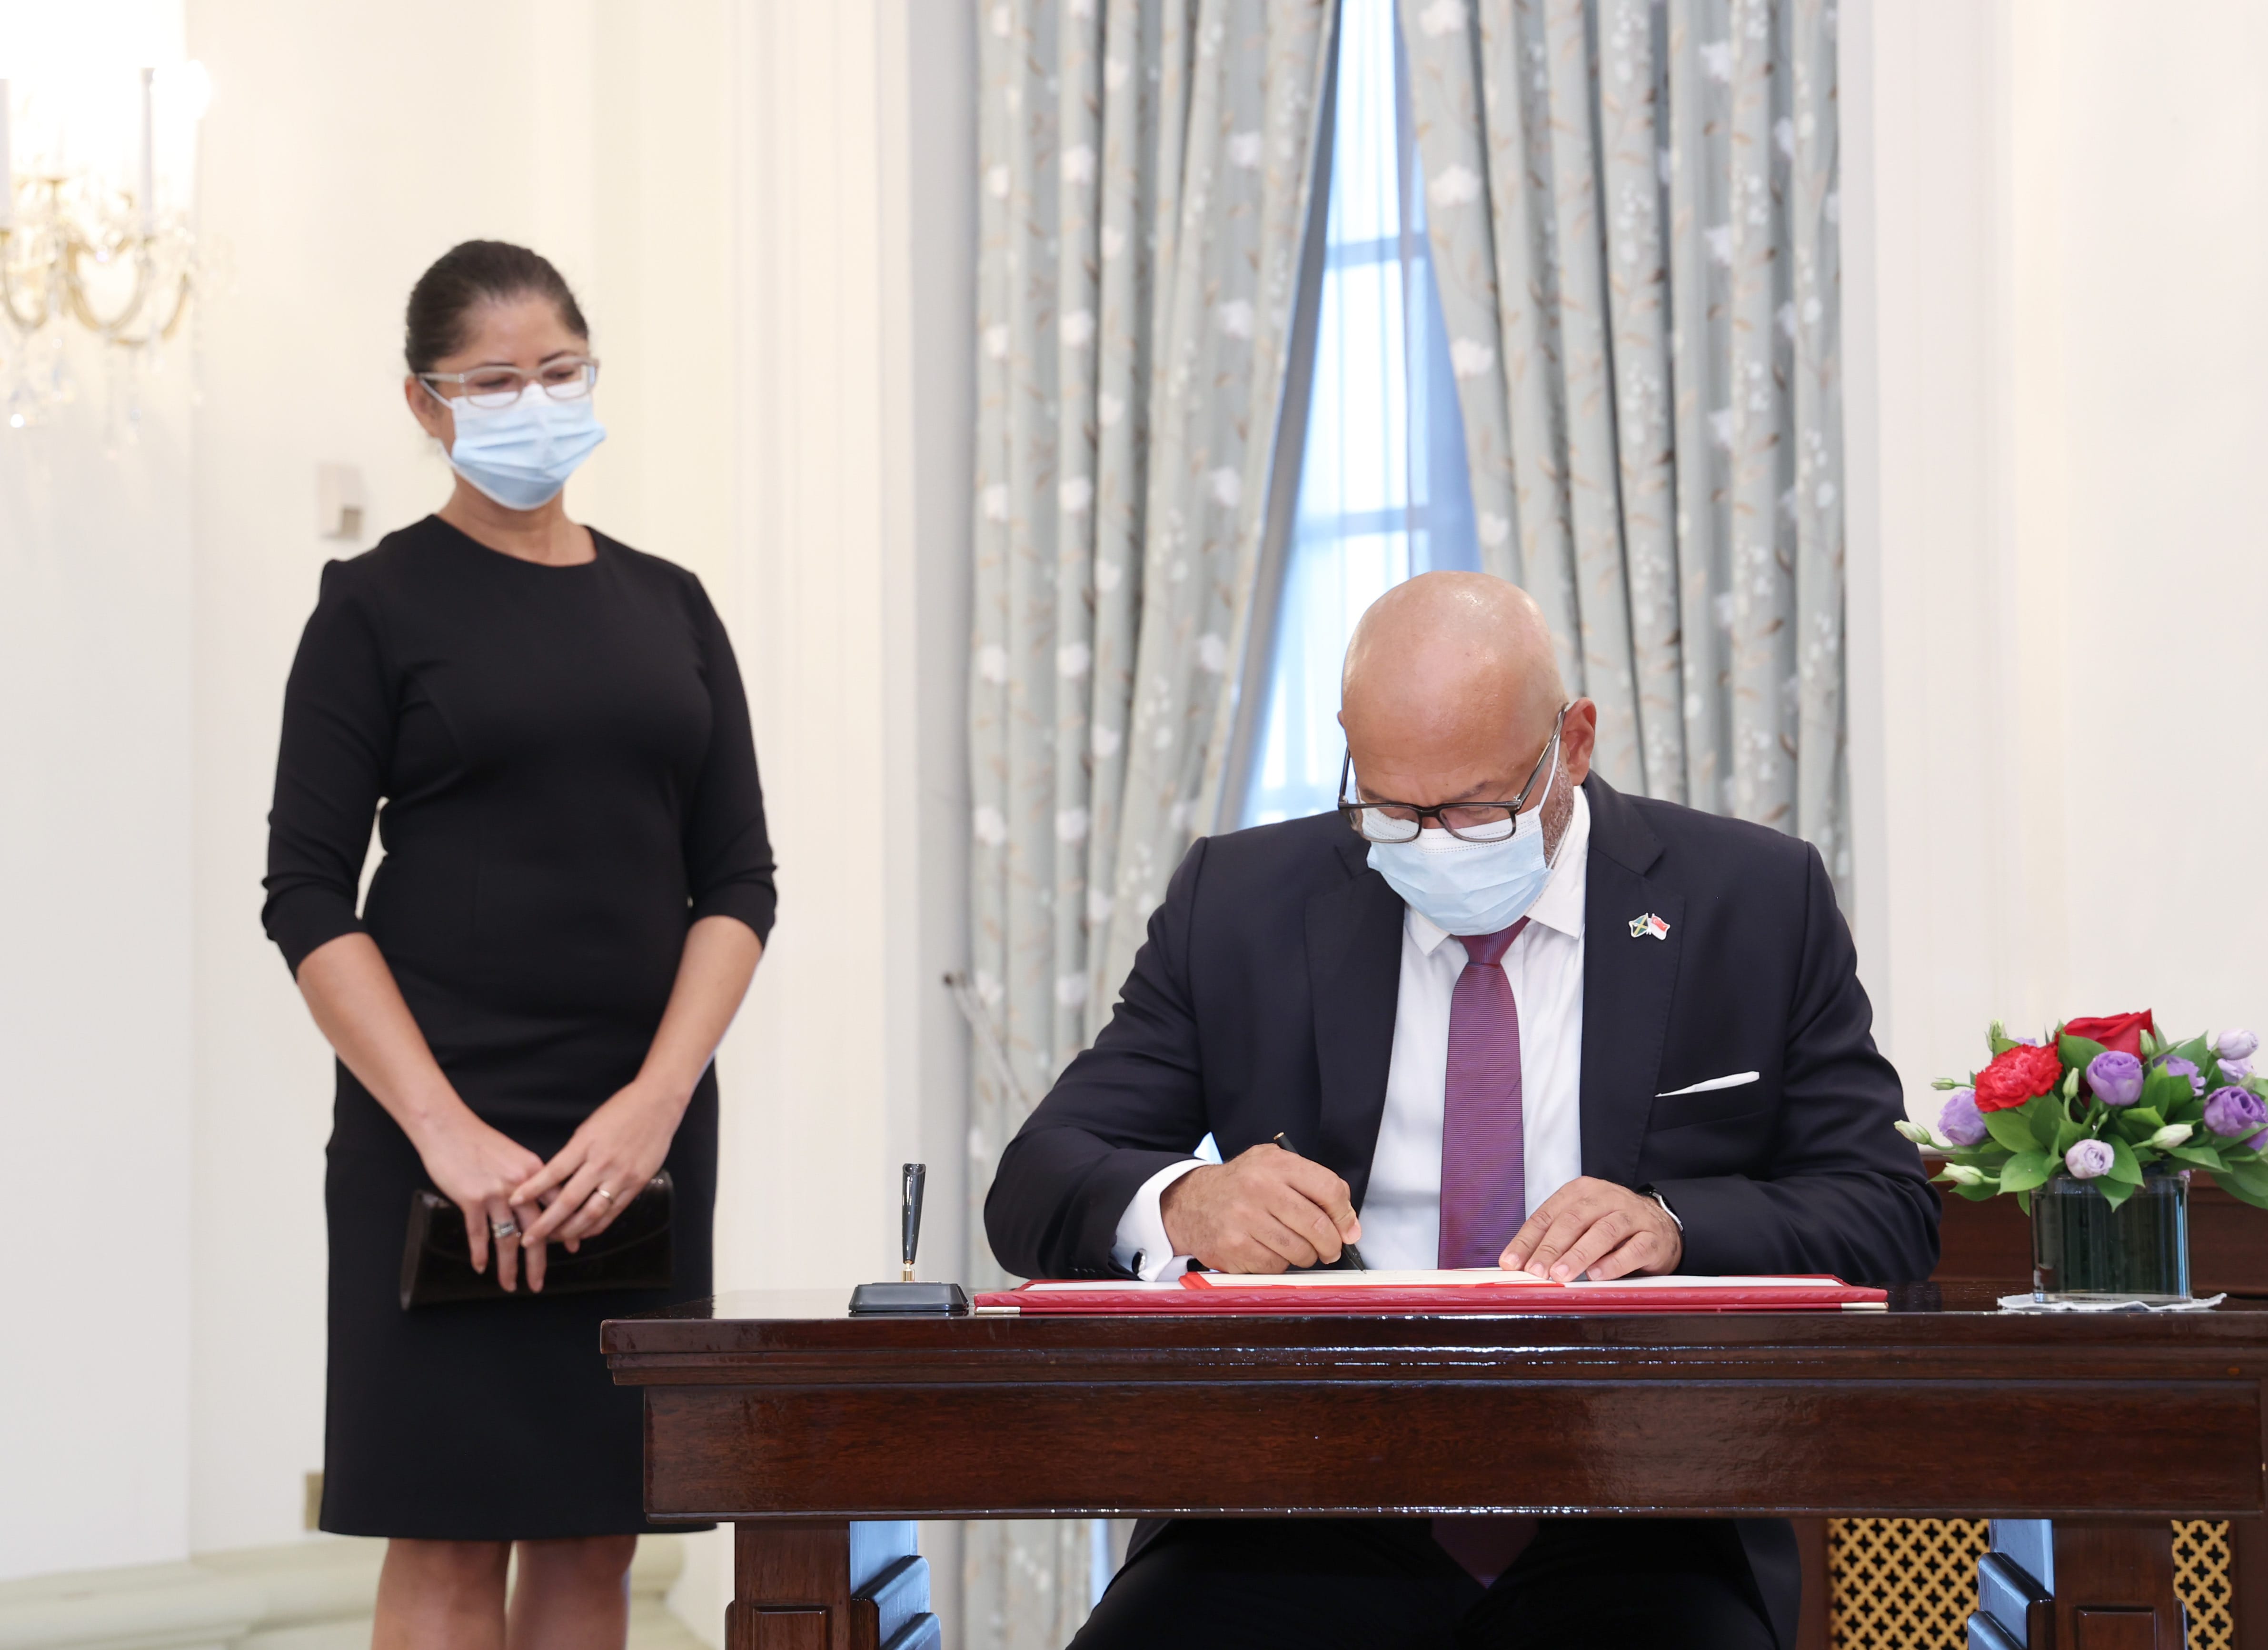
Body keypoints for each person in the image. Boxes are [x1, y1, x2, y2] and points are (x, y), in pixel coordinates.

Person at [985, 571, 1937, 1650]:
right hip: (1290, 1510)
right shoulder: (1239, 901)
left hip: (1640, 1512)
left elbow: (1885, 1212)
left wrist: (1675, 1223)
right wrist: (1186, 1201)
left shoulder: (1751, 899)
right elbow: (1035, 1179)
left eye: (1478, 808)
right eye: (1393, 807)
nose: (1431, 842)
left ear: (1570, 744)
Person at [262, 240, 776, 1650]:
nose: (531, 403)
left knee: (599, 1536)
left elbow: (738, 882)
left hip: (638, 1132)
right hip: (437, 1136)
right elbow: (306, 893)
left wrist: (651, 1110)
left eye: (557, 372)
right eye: (492, 383)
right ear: (427, 406)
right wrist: (442, 1131)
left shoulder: (670, 605)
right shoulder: (370, 606)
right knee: (441, 1540)